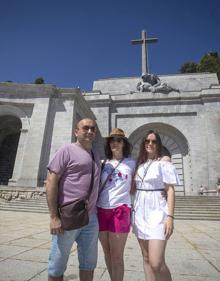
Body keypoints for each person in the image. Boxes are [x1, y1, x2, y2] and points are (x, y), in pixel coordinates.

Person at [46, 118, 101, 281]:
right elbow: (51, 182)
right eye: (85, 128)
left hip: (91, 218)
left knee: (89, 264)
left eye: (93, 129)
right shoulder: (66, 150)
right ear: (76, 131)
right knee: (57, 265)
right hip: (67, 217)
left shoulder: (96, 155)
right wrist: (54, 217)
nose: (90, 131)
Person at [131, 130, 180, 281]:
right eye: (147, 141)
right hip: (140, 214)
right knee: (146, 259)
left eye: (154, 141)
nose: (150, 144)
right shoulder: (139, 164)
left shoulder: (163, 163)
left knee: (156, 262)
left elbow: (170, 191)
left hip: (158, 214)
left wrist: (170, 217)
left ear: (159, 144)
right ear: (143, 144)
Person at [97, 128, 135, 281]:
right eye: (112, 140)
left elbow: (150, 167)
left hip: (121, 210)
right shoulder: (102, 163)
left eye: (119, 140)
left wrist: (164, 158)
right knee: (107, 252)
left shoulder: (132, 163)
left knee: (117, 255)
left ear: (124, 143)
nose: (115, 143)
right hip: (101, 210)